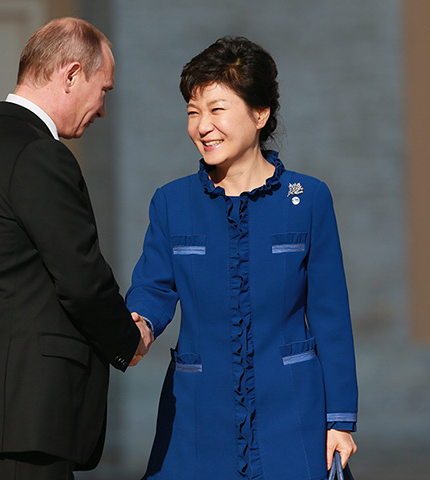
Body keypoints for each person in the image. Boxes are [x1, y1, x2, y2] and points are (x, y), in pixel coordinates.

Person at [126, 36, 358, 480]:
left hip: (292, 413)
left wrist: (340, 421)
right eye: (193, 112)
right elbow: (152, 289)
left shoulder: (308, 199)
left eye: (216, 109)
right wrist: (137, 328)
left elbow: (331, 317)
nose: (202, 126)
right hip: (196, 415)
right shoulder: (171, 203)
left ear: (259, 113)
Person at [0, 17, 153, 480]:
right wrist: (127, 338)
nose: (102, 110)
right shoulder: (38, 154)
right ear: (72, 74)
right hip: (22, 416)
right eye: (104, 90)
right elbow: (79, 274)